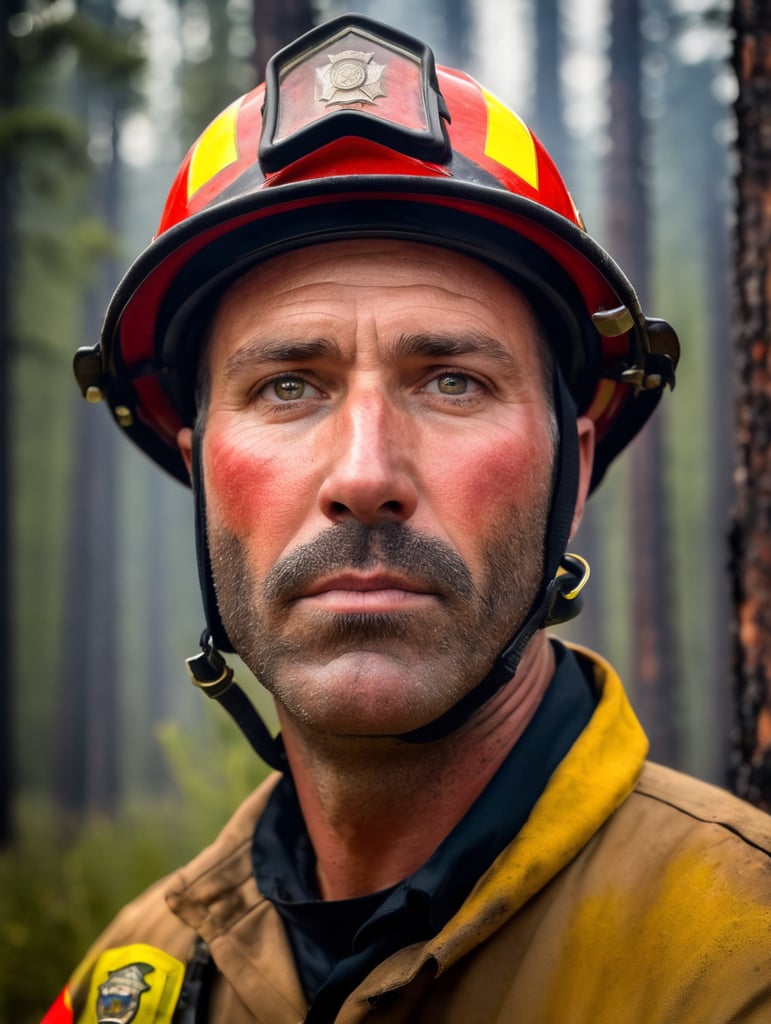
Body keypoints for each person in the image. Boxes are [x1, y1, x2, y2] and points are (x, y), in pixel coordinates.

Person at [44, 14, 770, 1024]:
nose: (366, 473)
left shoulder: (740, 957)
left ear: (576, 468)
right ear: (201, 472)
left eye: (454, 381)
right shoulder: (132, 982)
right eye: (290, 385)